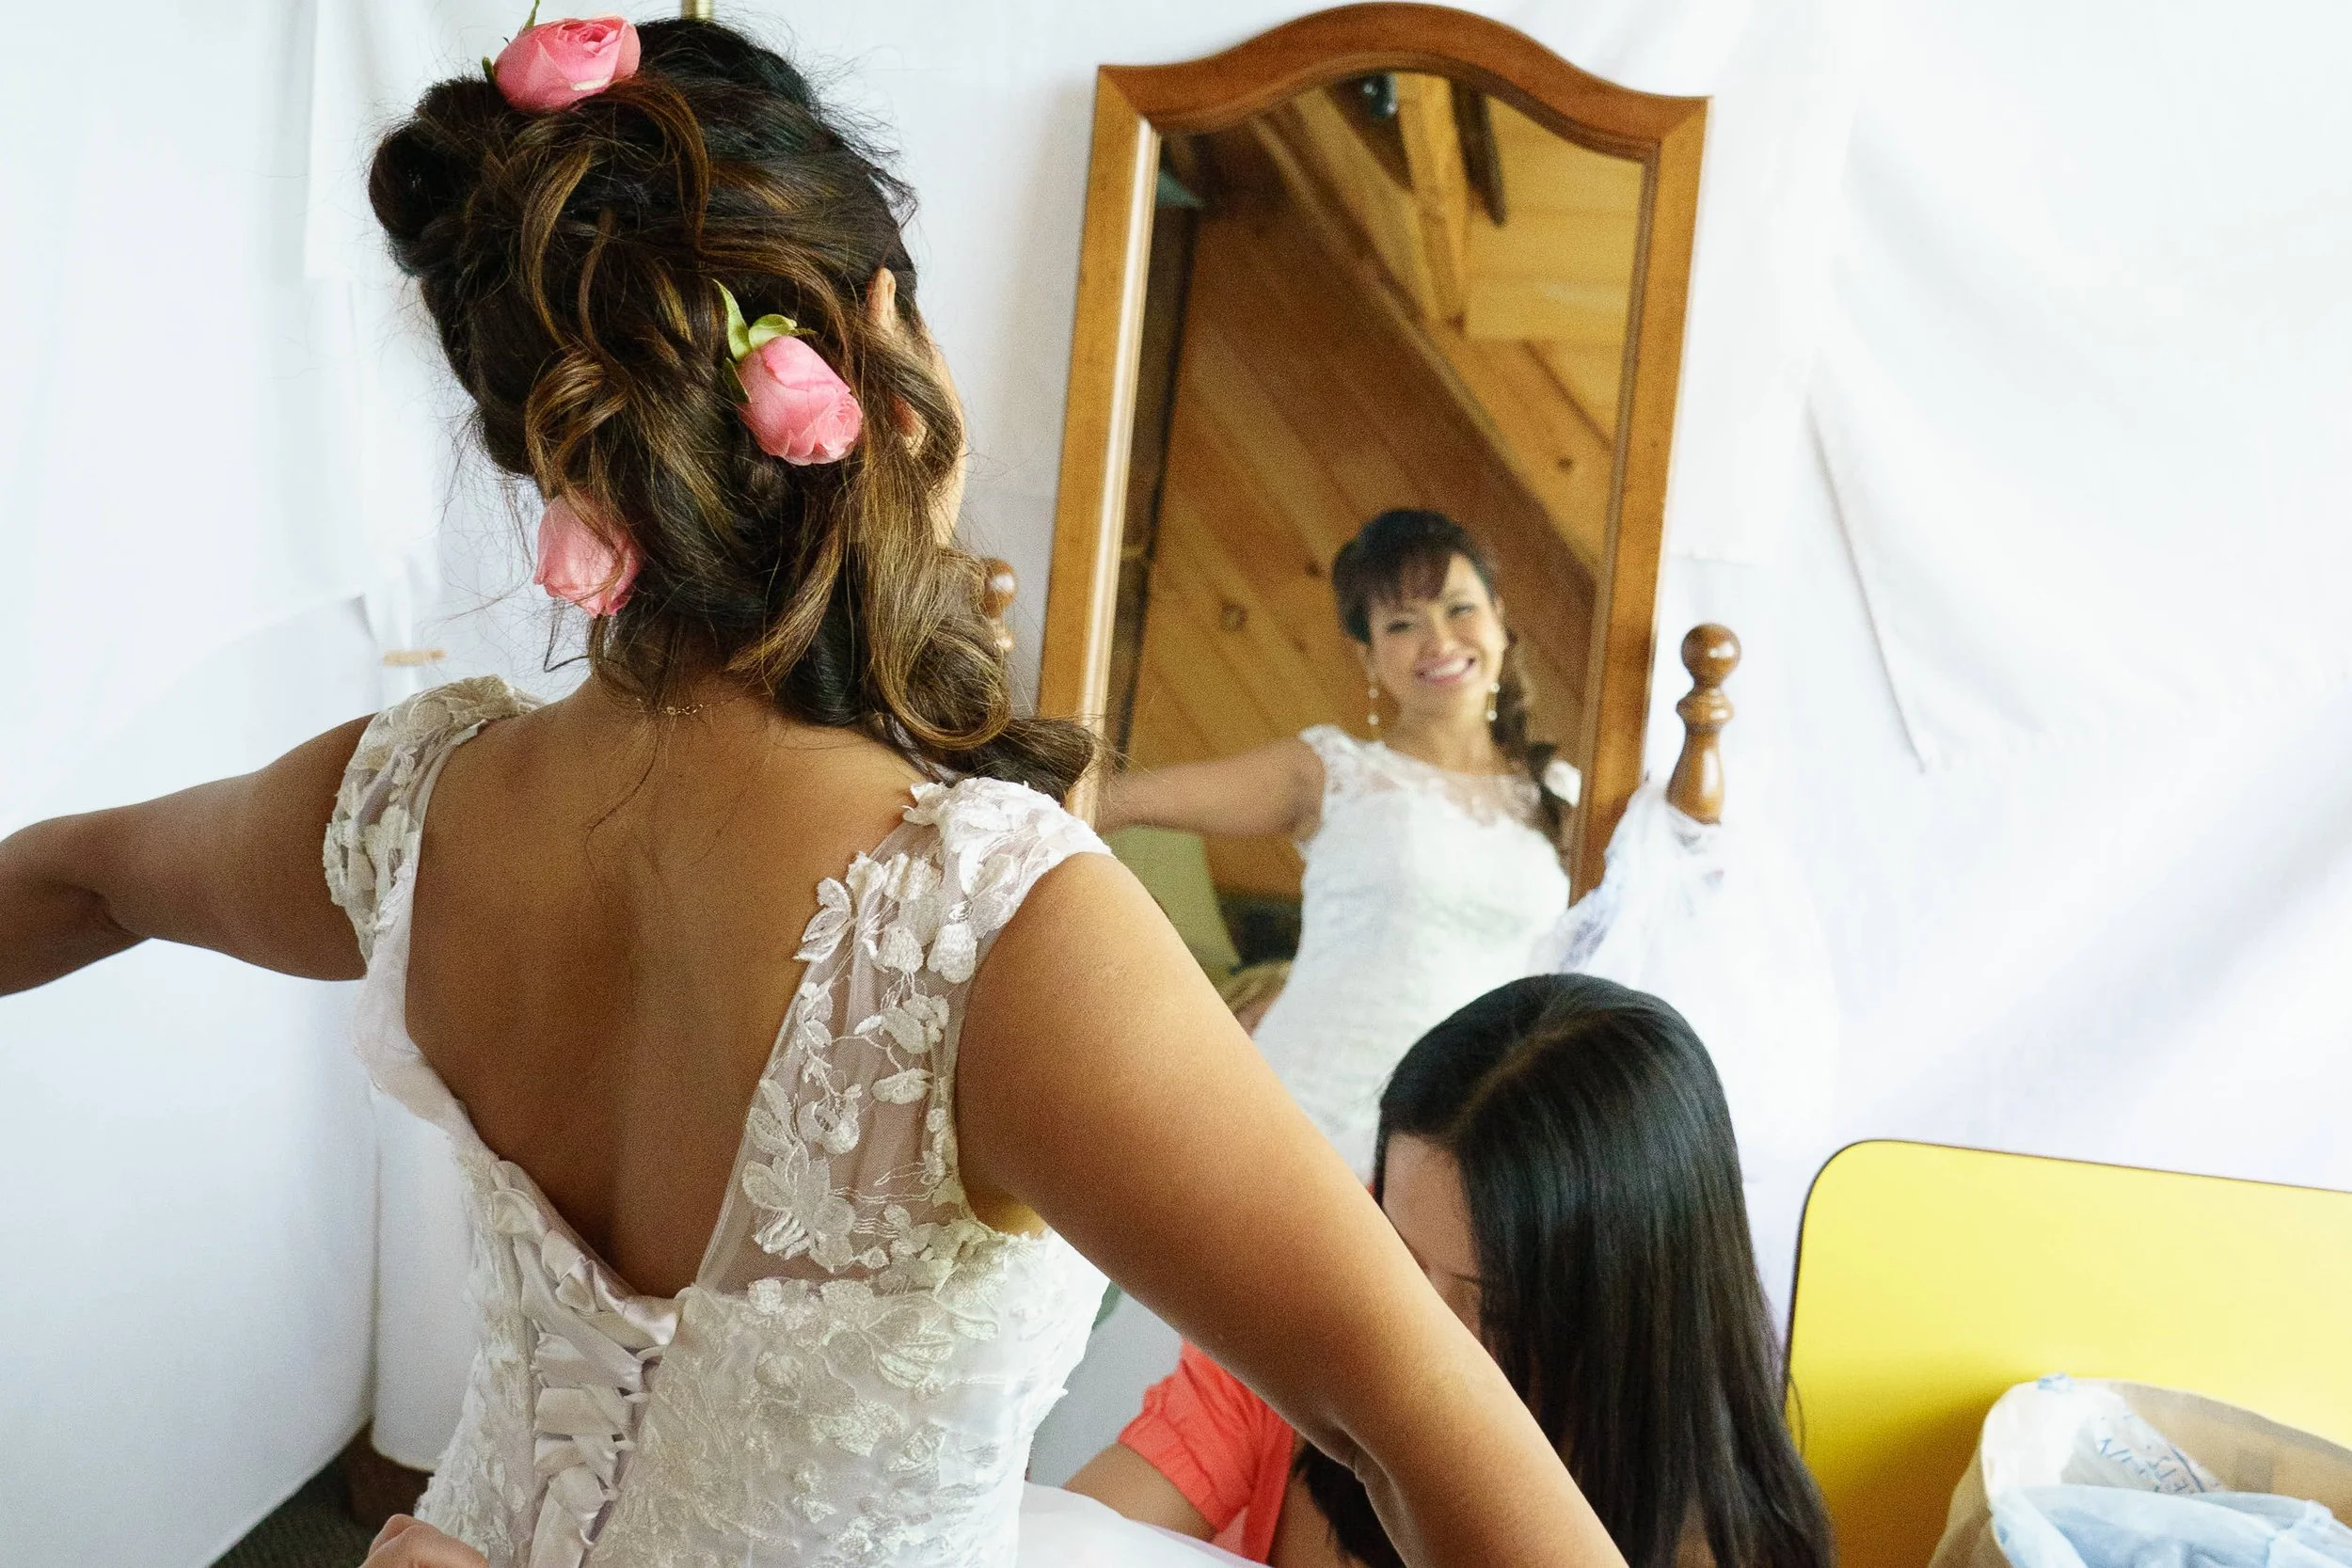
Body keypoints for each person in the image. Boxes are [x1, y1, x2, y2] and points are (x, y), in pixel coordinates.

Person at [0, 19, 1626, 1568]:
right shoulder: (995, 930)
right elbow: (1455, 1461)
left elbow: (69, 880)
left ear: (551, 442)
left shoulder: (413, 802)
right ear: (882, 342)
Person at [1067, 974, 1836, 1568]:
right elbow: (1087, 1534)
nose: (1413, 1336)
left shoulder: (1717, 1543)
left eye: (1490, 1306)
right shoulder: (1318, 1307)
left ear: (1625, 1318)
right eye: (1396, 1259)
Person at [1097, 511, 1575, 1176]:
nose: (1438, 639)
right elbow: (1111, 800)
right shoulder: (1328, 771)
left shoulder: (1563, 793)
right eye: (1401, 623)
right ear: (1369, 655)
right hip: (1309, 1116)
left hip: (1469, 1134)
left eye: (1459, 608)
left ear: (1499, 617)